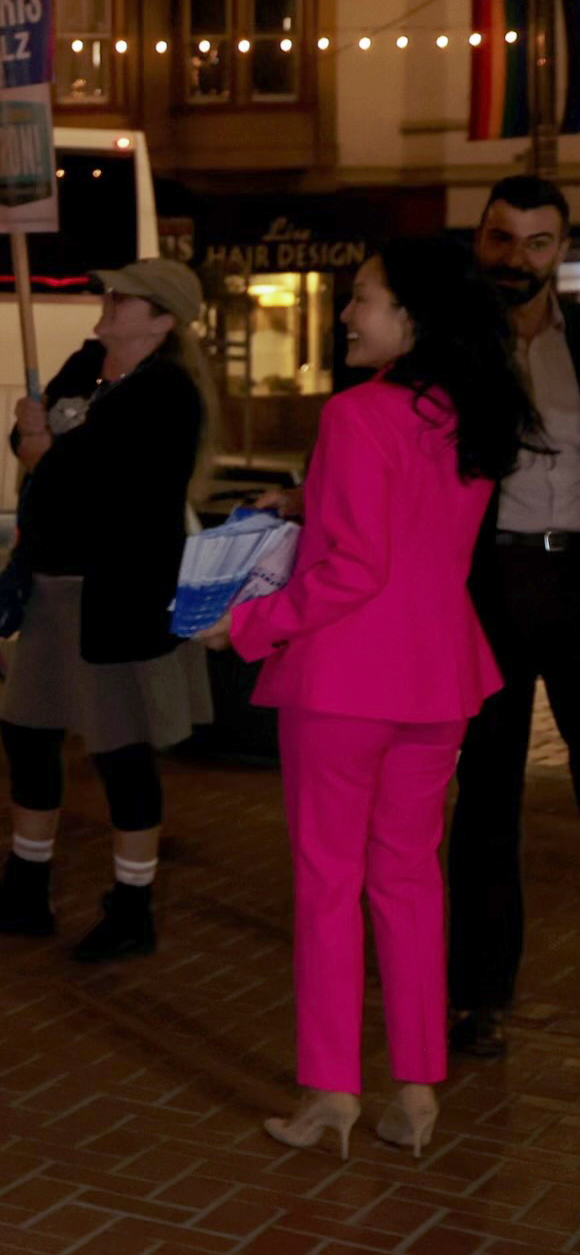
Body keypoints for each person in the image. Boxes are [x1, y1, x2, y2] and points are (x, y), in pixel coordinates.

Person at [210, 239, 531, 1160]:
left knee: (327, 882)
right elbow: (406, 537)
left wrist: (253, 624)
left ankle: (329, 1092)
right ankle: (419, 1086)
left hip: (346, 676)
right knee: (408, 878)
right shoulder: (471, 412)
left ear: (413, 316)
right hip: (439, 674)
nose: (349, 314)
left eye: (364, 298)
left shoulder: (359, 413)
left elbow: (356, 567)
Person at [0, 259, 215, 960]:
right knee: (27, 731)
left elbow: (92, 478)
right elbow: (39, 443)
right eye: (109, 290)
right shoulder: (89, 363)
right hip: (53, 587)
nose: (108, 301)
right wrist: (30, 437)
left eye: (126, 297)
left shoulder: (166, 393)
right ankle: (26, 886)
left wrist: (41, 447)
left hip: (117, 595)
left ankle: (133, 904)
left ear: (162, 319)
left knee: (119, 748)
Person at [447, 174, 580, 1060]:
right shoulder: (453, 346)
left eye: (538, 243)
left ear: (561, 250)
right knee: (489, 795)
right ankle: (478, 994)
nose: (518, 259)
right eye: (503, 239)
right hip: (485, 585)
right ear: (480, 241)